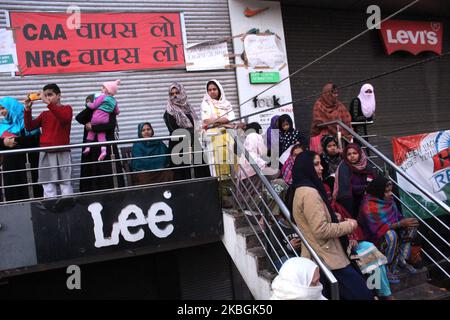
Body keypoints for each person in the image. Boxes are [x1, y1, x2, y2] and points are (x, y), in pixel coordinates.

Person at [290, 150, 374, 300]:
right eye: (315, 164)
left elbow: (310, 222)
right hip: (329, 257)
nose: (321, 168)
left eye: (321, 164)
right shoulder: (310, 193)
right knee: (363, 294)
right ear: (306, 167)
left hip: (321, 256)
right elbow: (321, 230)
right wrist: (350, 225)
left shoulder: (300, 190)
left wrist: (332, 217)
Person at [359, 176, 420, 284]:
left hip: (392, 231)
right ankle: (387, 266)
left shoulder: (389, 200)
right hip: (376, 240)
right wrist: (400, 224)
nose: (390, 194)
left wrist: (405, 223)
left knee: (412, 226)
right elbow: (376, 229)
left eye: (391, 191)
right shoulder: (368, 206)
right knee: (390, 235)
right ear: (378, 191)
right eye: (387, 191)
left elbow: (398, 217)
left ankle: (401, 259)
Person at [24, 83, 73, 198]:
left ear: (59, 95)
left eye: (50, 95)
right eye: (45, 95)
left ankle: (68, 209)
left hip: (62, 151)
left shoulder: (67, 109)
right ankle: (50, 211)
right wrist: (27, 110)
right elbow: (29, 127)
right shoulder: (44, 114)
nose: (47, 97)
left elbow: (64, 119)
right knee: (47, 186)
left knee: (65, 184)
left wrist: (49, 104)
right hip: (46, 152)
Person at [75, 94, 124, 193]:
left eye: (91, 101)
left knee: (108, 175)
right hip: (91, 151)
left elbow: (110, 126)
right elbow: (79, 118)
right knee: (91, 174)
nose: (88, 103)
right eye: (87, 102)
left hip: (106, 150)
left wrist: (93, 128)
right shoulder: (89, 113)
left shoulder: (109, 112)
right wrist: (91, 107)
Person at [163, 82, 209, 180]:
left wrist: (200, 127)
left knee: (200, 170)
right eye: (172, 94)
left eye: (177, 93)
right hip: (179, 146)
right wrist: (190, 131)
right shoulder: (169, 111)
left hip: (194, 142)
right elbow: (173, 130)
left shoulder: (189, 108)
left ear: (182, 93)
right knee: (183, 174)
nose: (175, 95)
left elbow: (196, 123)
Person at [0, 97, 41, 201]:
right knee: (13, 194)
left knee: (33, 193)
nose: (2, 112)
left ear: (12, 107)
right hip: (10, 166)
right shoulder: (2, 126)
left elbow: (35, 140)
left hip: (30, 165)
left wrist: (16, 140)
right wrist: (4, 142)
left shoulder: (29, 122)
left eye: (4, 108)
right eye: (0, 109)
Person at [201, 79, 243, 178]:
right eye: (209, 90)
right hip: (213, 138)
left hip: (228, 136)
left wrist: (215, 121)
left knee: (232, 162)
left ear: (219, 89)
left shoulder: (227, 103)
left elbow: (231, 118)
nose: (212, 91)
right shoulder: (205, 104)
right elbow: (206, 120)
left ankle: (233, 187)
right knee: (216, 164)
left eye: (214, 89)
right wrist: (224, 122)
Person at [333, 143, 375, 219]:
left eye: (355, 153)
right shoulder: (344, 167)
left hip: (367, 199)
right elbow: (346, 188)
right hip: (351, 202)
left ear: (360, 154)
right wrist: (365, 187)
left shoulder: (366, 165)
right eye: (349, 154)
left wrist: (366, 188)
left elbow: (372, 183)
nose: (352, 156)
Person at [82, 79, 120, 161]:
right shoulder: (114, 101)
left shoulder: (102, 97)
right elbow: (117, 111)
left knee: (91, 134)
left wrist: (88, 104)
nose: (101, 89)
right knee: (101, 136)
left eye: (103, 87)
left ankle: (88, 147)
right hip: (104, 122)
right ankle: (103, 151)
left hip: (96, 121)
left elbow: (93, 106)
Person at [310, 83, 352, 154]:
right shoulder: (319, 104)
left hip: (338, 137)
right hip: (323, 137)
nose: (336, 95)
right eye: (334, 93)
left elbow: (347, 119)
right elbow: (317, 121)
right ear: (328, 94)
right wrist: (330, 125)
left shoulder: (339, 105)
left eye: (337, 93)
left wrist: (344, 131)